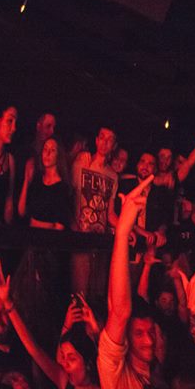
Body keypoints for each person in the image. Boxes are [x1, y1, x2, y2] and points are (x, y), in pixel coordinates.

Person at [97, 175, 181, 389]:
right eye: (138, 334)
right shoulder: (119, 380)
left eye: (150, 332)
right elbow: (119, 311)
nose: (147, 340)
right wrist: (122, 233)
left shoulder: (157, 373)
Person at [0, 260, 106, 389]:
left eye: (71, 358)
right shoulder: (64, 382)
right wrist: (7, 303)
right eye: (64, 357)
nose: (64, 363)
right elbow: (34, 350)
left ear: (88, 363)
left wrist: (97, 331)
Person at [70, 126, 119, 298]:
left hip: (100, 241)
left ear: (113, 145)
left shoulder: (113, 176)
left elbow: (110, 214)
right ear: (96, 140)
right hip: (80, 237)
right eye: (102, 137)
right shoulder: (80, 164)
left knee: (97, 293)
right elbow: (68, 198)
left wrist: (127, 230)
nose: (105, 142)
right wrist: (73, 227)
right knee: (79, 293)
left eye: (110, 139)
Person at [18, 137, 72, 229]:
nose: (47, 153)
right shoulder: (37, 180)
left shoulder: (62, 188)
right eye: (45, 149)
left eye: (52, 150)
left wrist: (38, 224)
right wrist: (26, 180)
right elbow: (21, 212)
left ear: (58, 155)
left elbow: (60, 226)